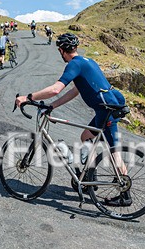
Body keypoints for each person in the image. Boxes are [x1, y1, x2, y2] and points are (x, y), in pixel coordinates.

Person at [15, 33, 131, 206]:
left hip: (106, 110)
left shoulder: (73, 64)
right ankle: (89, 180)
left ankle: (125, 195)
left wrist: (28, 97)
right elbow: (75, 91)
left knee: (114, 152)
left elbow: (56, 89)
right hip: (107, 107)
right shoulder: (88, 61)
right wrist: (53, 106)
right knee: (86, 137)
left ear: (62, 50)